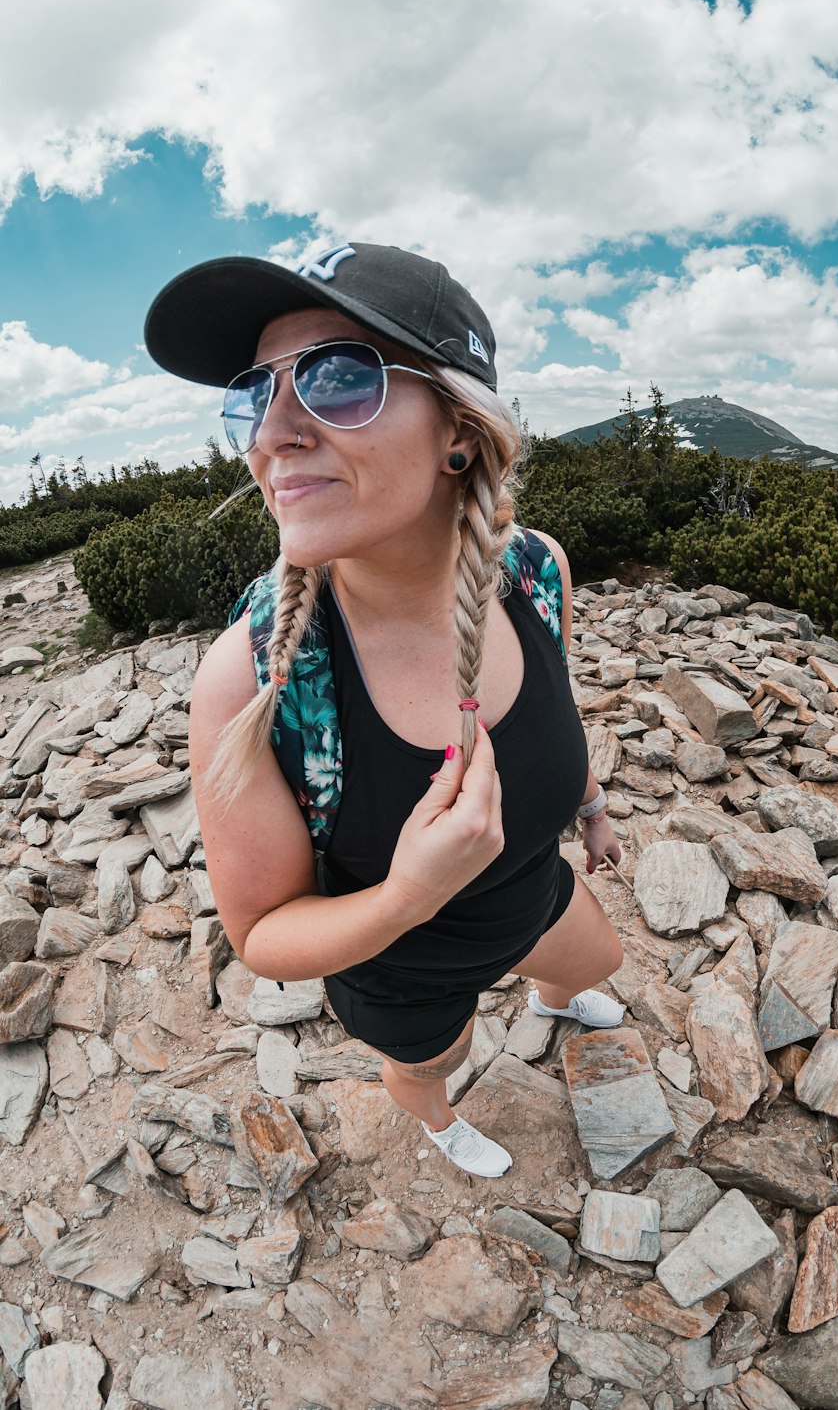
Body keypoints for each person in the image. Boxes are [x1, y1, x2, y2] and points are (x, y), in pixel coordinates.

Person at [144, 241, 625, 1178]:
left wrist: (592, 806)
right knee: (428, 1065)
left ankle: (552, 1000)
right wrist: (411, 895)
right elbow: (265, 938)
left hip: (531, 896)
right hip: (398, 968)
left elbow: (554, 703)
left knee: (595, 963)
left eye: (336, 377)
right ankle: (437, 1122)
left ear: (460, 430)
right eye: (256, 393)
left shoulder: (533, 572)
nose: (273, 432)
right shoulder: (251, 682)